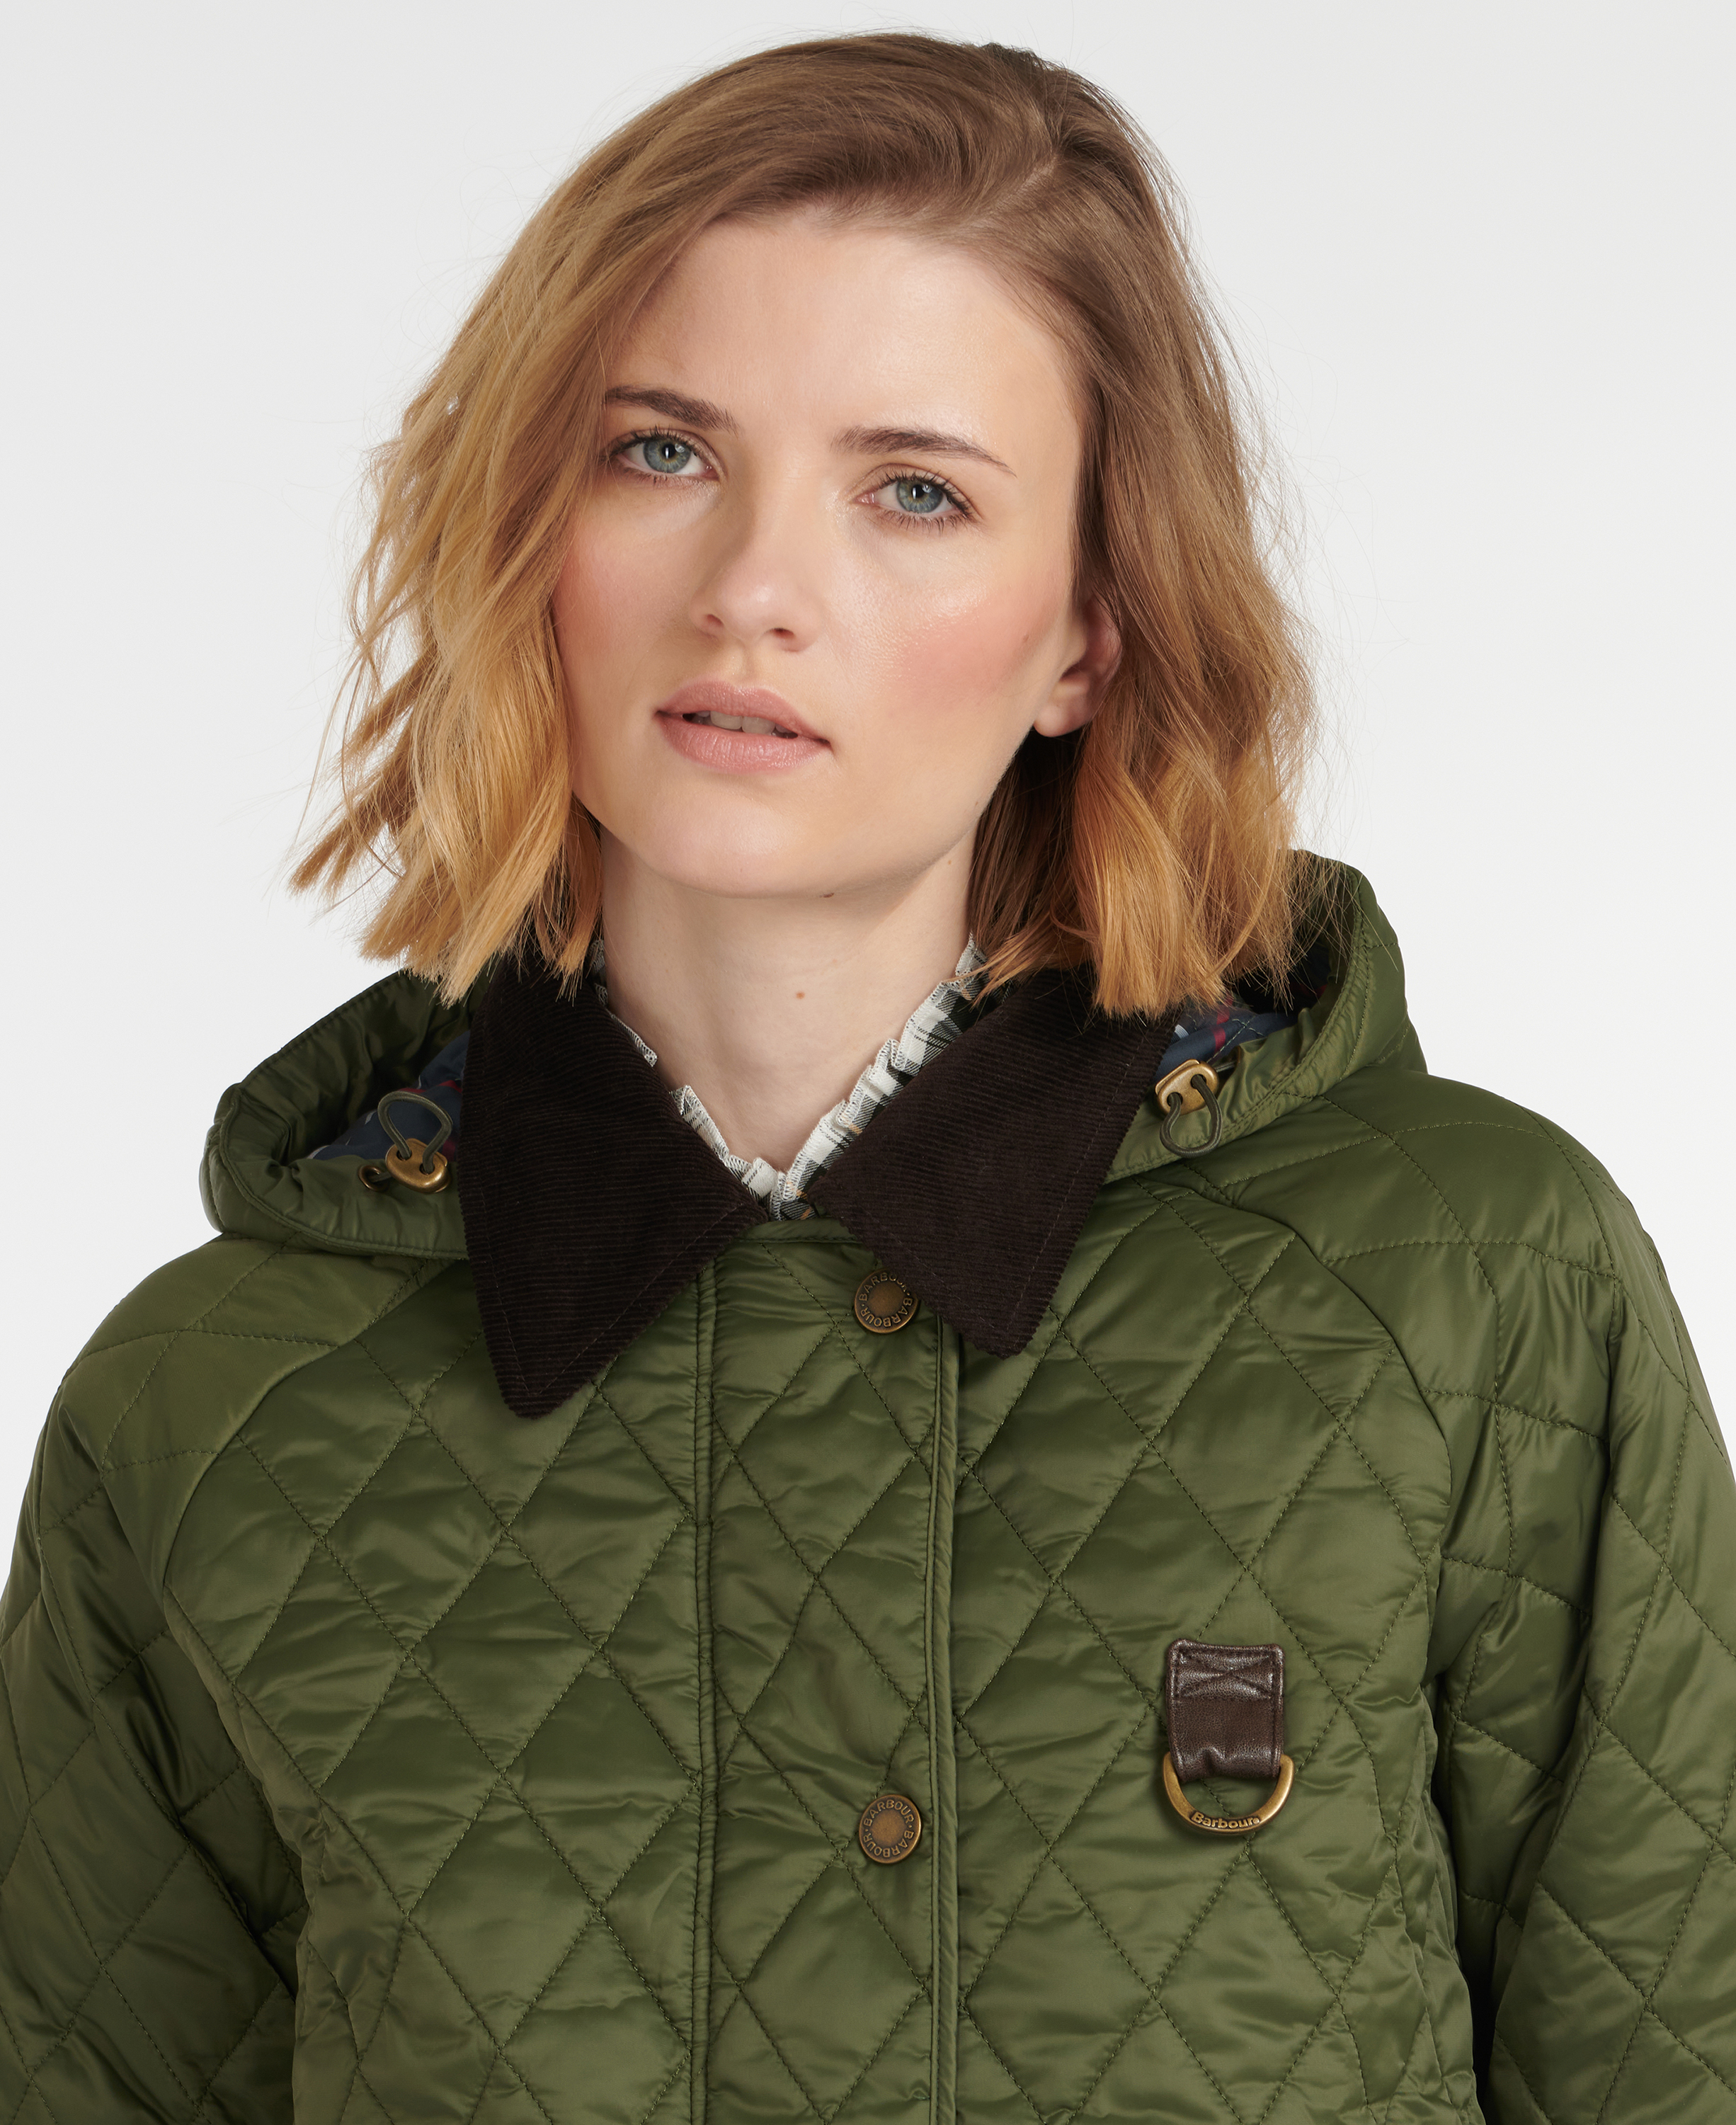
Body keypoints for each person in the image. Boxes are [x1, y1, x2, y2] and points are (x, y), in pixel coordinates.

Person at [2, 30, 1729, 2124]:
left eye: (915, 491)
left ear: (1087, 630)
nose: (752, 590)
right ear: (525, 522)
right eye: (659, 451)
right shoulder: (208, 1409)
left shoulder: (1469, 1293)